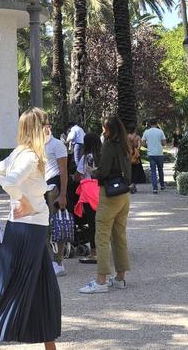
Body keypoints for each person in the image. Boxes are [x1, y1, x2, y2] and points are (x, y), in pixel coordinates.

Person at [0, 108, 62, 349]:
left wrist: (26, 197)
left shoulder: (22, 152)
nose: (49, 129)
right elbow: (10, 180)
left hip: (28, 229)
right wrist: (23, 200)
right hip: (29, 230)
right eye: (46, 125)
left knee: (42, 290)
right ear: (38, 128)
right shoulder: (30, 157)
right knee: (13, 290)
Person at [79, 116, 131, 295]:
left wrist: (93, 174)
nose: (103, 132)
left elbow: (104, 171)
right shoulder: (125, 144)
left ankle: (101, 281)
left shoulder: (109, 145)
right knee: (119, 236)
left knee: (101, 236)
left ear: (109, 130)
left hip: (109, 195)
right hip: (123, 194)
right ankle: (120, 278)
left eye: (104, 129)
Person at [43, 124, 69, 275]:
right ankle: (48, 259)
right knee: (44, 225)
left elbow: (63, 170)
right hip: (41, 186)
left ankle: (59, 260)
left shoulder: (57, 144)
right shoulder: (36, 144)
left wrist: (63, 194)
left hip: (54, 186)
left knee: (58, 223)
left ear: (48, 127)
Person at [73, 133, 101, 263]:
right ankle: (104, 250)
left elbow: (78, 176)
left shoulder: (86, 158)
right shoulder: (103, 155)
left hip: (89, 193)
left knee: (92, 223)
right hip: (103, 191)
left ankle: (94, 252)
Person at [142, 121, 168, 194]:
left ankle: (155, 188)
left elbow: (143, 143)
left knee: (153, 172)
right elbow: (164, 143)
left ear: (150, 124)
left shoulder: (146, 132)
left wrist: (148, 146)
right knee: (160, 170)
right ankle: (162, 185)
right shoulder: (160, 131)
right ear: (157, 124)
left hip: (151, 154)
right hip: (159, 153)